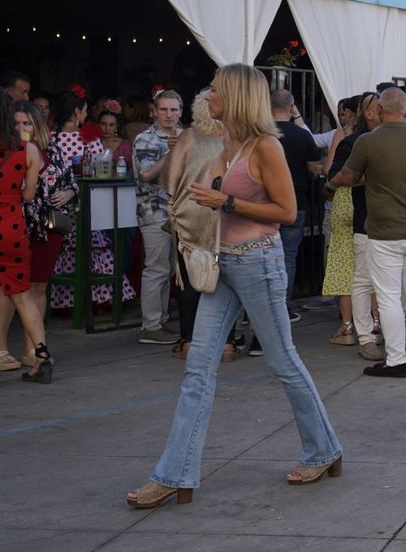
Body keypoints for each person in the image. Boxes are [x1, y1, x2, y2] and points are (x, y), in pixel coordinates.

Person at [126, 64, 343, 508]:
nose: (208, 97)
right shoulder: (223, 142)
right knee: (198, 368)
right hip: (221, 264)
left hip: (258, 263)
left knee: (283, 362)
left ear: (238, 97)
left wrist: (225, 200)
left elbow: (286, 211)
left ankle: (323, 449)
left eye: (217, 91)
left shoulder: (266, 147)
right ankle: (174, 474)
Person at [334, 87, 406, 378]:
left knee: (389, 296)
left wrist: (331, 179)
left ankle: (395, 361)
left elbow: (348, 176)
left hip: (383, 230)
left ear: (381, 110)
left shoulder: (368, 142)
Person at [0, 88, 46, 389]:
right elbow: (28, 195)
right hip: (12, 229)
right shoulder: (27, 151)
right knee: (22, 294)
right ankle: (42, 357)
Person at [0, 101, 66, 373]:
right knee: (5, 290)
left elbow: (70, 183)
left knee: (37, 288)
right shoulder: (1, 151)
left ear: (37, 125)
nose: (22, 128)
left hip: (46, 228)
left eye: (27, 123)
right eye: (17, 123)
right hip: (11, 226)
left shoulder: (52, 149)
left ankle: (31, 349)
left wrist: (68, 193)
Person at [164, 90, 238, 362]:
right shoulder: (233, 138)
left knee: (189, 280)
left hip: (189, 216)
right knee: (223, 280)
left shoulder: (188, 137)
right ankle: (227, 344)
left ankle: (189, 342)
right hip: (222, 215)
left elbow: (170, 180)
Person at [50, 91, 137, 311]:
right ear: (77, 112)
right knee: (91, 250)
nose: (87, 115)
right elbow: (100, 172)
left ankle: (61, 301)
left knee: (62, 254)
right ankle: (98, 299)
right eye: (86, 110)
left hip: (55, 208)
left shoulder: (49, 138)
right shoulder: (88, 139)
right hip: (84, 208)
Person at [327, 94, 384, 362]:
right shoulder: (351, 140)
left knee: (371, 275)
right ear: (368, 113)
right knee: (355, 273)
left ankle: (373, 326)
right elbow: (334, 175)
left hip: (380, 215)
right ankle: (361, 329)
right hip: (354, 210)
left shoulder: (396, 139)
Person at [134, 90, 186, 345]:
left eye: (174, 110)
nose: (169, 115)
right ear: (154, 112)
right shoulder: (145, 139)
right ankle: (150, 326)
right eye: (164, 110)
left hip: (182, 211)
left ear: (181, 111)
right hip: (154, 211)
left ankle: (161, 320)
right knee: (156, 269)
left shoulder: (187, 135)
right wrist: (171, 152)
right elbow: (146, 175)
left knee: (170, 269)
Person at [270, 89, 321, 316]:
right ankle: (282, 307)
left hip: (265, 203)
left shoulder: (261, 134)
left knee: (260, 257)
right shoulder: (303, 135)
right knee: (288, 257)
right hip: (296, 201)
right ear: (292, 109)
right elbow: (314, 168)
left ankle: (254, 311)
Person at [322, 96, 365, 347]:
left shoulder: (344, 135)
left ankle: (348, 326)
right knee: (369, 267)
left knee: (342, 265)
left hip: (343, 202)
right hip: (368, 204)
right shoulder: (376, 138)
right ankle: (374, 324)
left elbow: (331, 170)